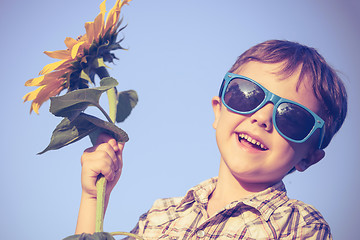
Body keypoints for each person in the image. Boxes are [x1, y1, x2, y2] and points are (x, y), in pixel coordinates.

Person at [75, 40, 347, 239]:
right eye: (246, 94)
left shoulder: (300, 225)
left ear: (309, 157)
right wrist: (93, 197)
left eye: (292, 117)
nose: (262, 117)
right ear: (218, 110)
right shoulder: (161, 217)